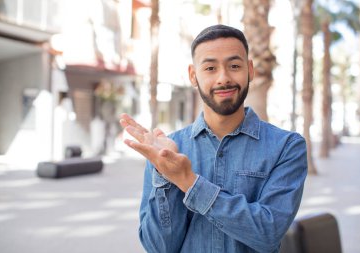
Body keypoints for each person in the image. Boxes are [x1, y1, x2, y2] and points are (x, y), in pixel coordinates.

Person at [120, 24, 307, 253]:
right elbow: (159, 248)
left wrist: (188, 181)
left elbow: (268, 233)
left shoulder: (287, 147)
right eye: (210, 68)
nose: (223, 78)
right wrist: (165, 175)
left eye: (234, 66)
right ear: (193, 75)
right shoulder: (166, 151)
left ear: (250, 70)